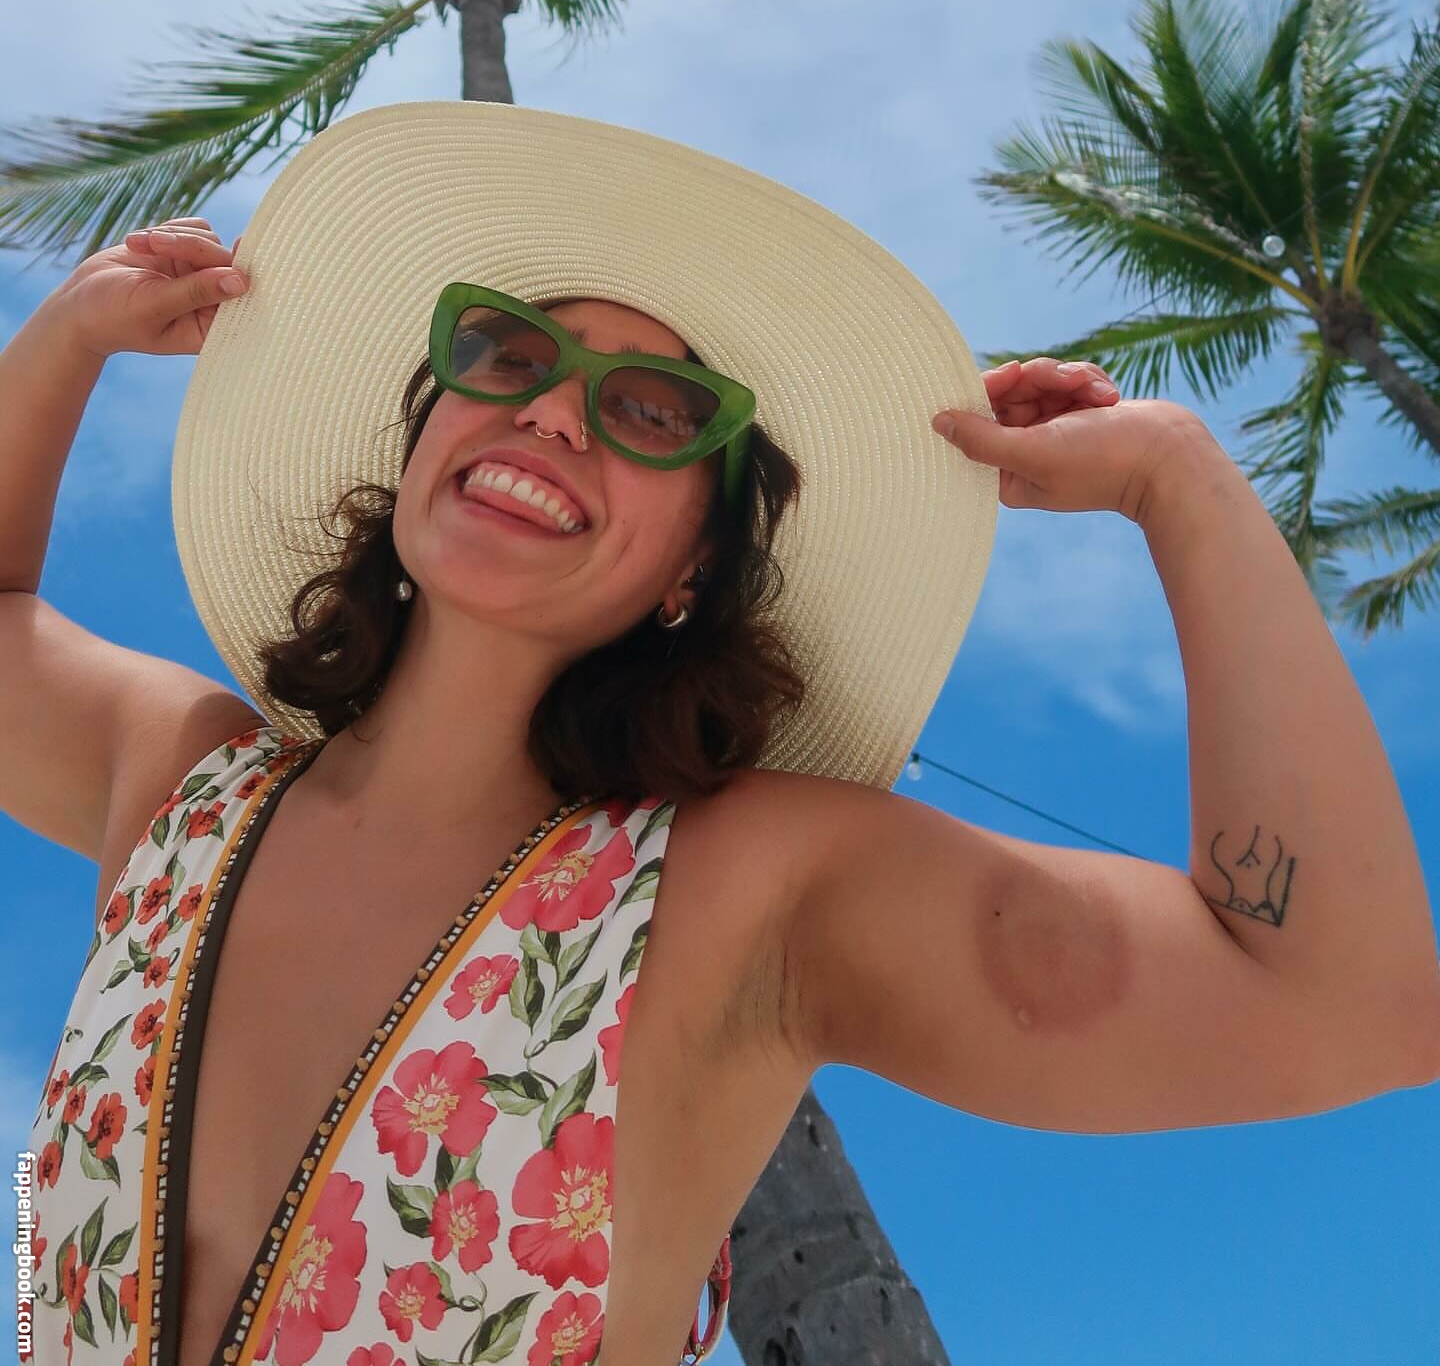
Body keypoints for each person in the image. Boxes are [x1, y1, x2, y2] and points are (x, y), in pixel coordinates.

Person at [7, 100, 1437, 1366]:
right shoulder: (188, 790)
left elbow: (1340, 1000)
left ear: (697, 566)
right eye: (506, 351)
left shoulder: (743, 892)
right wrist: (63, 341)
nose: (551, 411)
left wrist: (1177, 483)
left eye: (650, 410)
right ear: (423, 430)